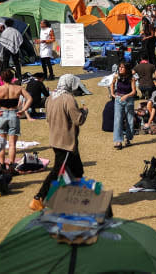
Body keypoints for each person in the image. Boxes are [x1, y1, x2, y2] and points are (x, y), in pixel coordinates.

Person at [30, 74, 88, 211]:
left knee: (77, 170)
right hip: (66, 141)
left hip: (55, 138)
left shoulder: (51, 98)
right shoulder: (68, 99)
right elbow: (78, 120)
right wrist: (84, 112)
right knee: (57, 171)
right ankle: (38, 198)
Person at [0, 68, 32, 171]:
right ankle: (11, 165)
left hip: (2, 115)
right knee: (12, 144)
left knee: (1, 144)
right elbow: (30, 99)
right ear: (12, 78)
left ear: (2, 78)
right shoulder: (19, 88)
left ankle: (1, 165)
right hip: (14, 115)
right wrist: (23, 110)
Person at [110, 61, 137, 149]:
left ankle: (128, 138)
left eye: (122, 67)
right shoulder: (116, 76)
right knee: (118, 120)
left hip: (129, 100)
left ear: (126, 69)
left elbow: (134, 91)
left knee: (130, 120)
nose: (120, 69)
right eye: (119, 67)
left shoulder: (131, 78)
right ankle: (118, 141)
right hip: (118, 99)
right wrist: (112, 94)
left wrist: (127, 96)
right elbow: (112, 84)